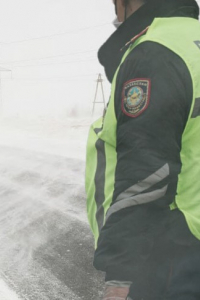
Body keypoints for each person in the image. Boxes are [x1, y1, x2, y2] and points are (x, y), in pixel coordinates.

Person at [85, 0, 200, 299]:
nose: (114, 14)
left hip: (174, 254)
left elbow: (145, 171)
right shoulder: (191, 43)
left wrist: (120, 274)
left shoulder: (155, 53)